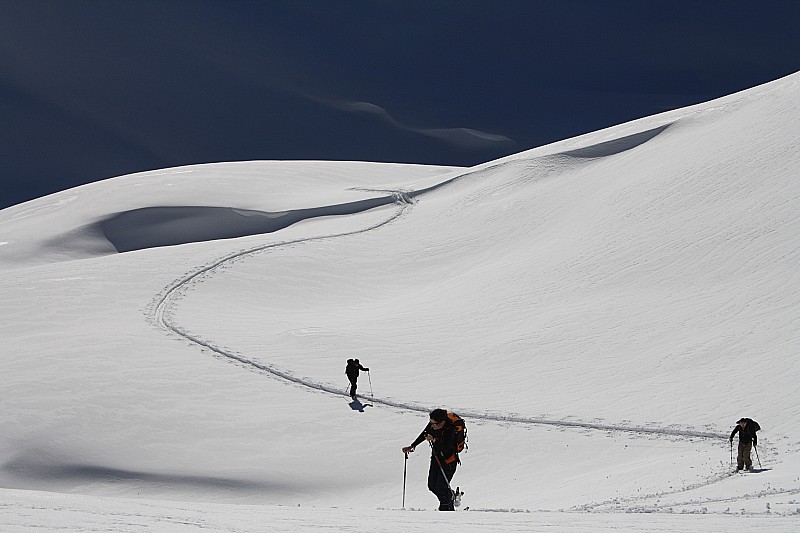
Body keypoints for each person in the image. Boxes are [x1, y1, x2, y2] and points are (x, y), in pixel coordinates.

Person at [401, 408, 459, 511]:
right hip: (436, 458)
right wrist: (412, 446)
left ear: (442, 422)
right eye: (431, 423)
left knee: (441, 487)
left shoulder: (450, 429)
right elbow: (425, 433)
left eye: (434, 424)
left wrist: (434, 440)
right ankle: (449, 496)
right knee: (432, 485)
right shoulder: (434, 424)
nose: (432, 425)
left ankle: (446, 508)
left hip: (448, 461)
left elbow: (446, 448)